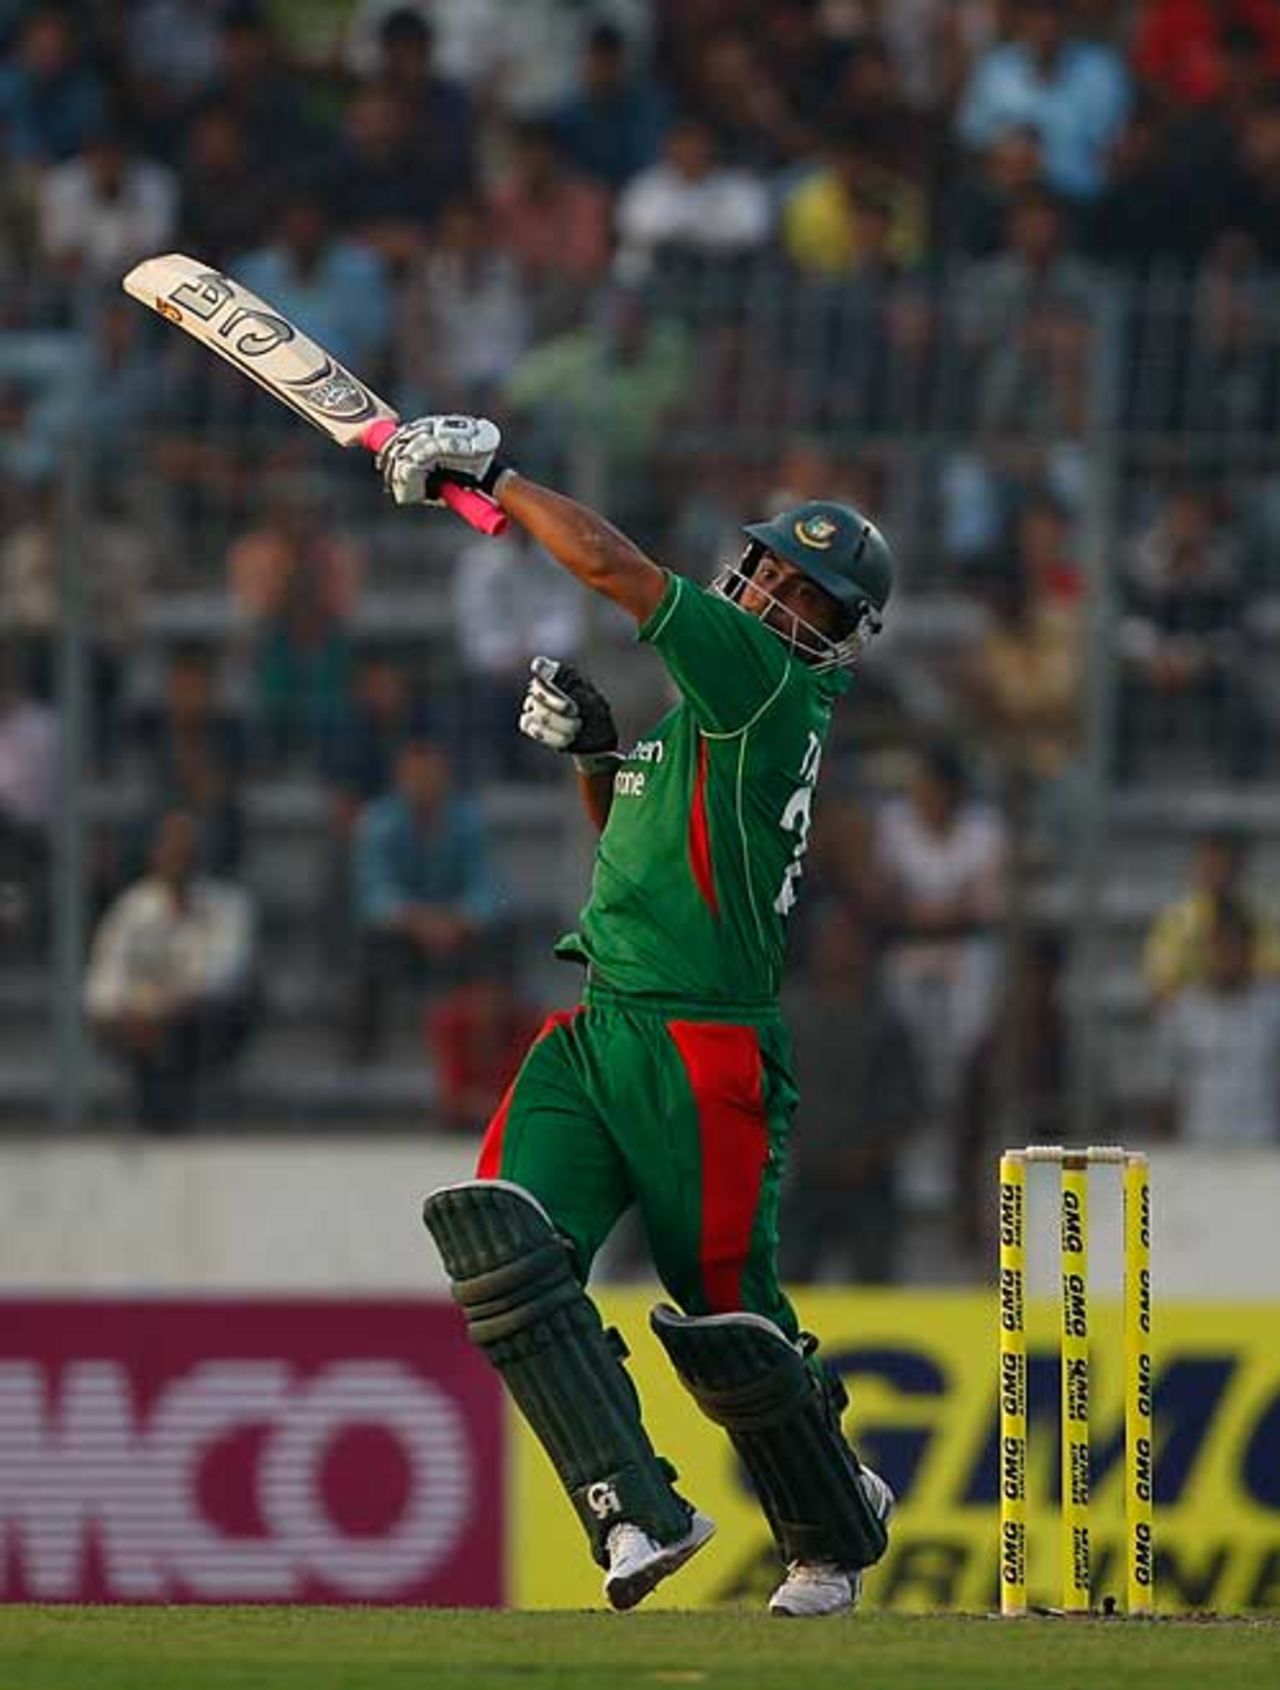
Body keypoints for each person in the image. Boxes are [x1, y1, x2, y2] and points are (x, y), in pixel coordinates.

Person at [376, 412, 896, 1617]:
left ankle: (831, 1519)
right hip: (602, 1024)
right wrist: (595, 760)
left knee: (728, 1319)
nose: (772, 594)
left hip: (706, 1048)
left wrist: (493, 476)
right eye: (769, 570)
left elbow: (611, 568)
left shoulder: (762, 684)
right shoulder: (702, 720)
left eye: (804, 594)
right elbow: (638, 854)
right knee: (504, 1245)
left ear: (832, 635)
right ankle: (634, 1510)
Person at [84, 810, 256, 1131]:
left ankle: (165, 1124)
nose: (179, 859)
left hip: (202, 1020)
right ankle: (158, 1124)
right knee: (140, 1035)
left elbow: (225, 974)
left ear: (200, 857)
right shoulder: (132, 909)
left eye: (187, 851)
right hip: (140, 1020)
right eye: (172, 850)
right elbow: (105, 981)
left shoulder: (228, 905)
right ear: (156, 855)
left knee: (185, 1028)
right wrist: (130, 1011)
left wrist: (164, 1008)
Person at [779, 905, 923, 1286]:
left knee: (874, 1283)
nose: (839, 949)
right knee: (790, 1280)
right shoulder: (790, 1014)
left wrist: (870, 1153)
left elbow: (904, 1097)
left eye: (848, 940)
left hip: (868, 1175)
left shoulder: (886, 1019)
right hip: (804, 1171)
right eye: (831, 940)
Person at [1152, 898, 1280, 1145]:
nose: (1227, 957)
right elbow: (1163, 1089)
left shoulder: (1274, 1008)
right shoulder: (1183, 1010)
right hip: (1198, 1145)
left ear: (1250, 950)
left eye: (1235, 947)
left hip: (1264, 1146)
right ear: (1207, 950)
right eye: (1220, 947)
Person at [1142, 828, 1280, 1006]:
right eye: (1210, 865)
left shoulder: (1263, 916)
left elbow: (1274, 976)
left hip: (1255, 1015)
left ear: (1239, 867)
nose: (1217, 873)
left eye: (1223, 865)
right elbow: (1160, 987)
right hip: (1196, 1018)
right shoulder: (1176, 921)